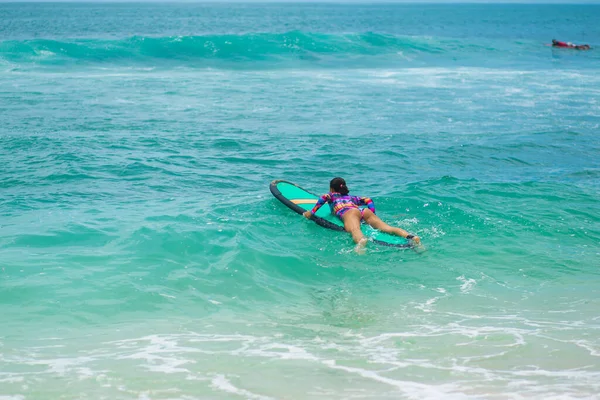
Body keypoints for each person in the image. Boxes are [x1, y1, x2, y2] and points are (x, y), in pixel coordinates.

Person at [302, 177, 421, 250]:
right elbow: (368, 200)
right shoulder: (352, 197)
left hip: (349, 212)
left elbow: (323, 198)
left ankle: (361, 242)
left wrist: (311, 213)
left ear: (332, 189)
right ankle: (411, 237)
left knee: (354, 230)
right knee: (387, 228)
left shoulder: (330, 196)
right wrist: (371, 214)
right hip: (363, 211)